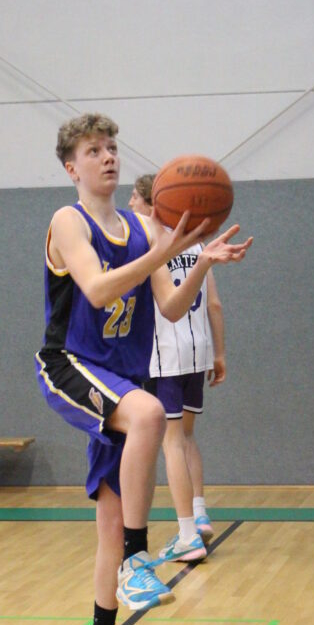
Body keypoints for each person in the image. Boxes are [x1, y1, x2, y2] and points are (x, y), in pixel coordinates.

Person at [35, 114, 252, 625]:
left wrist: (199, 261)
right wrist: (162, 250)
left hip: (121, 380)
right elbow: (98, 289)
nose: (108, 156)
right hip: (71, 364)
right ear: (71, 167)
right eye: (93, 150)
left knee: (108, 520)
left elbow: (172, 308)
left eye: (111, 147)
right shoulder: (68, 221)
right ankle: (138, 556)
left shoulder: (141, 226)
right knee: (153, 415)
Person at [128, 175, 225, 563]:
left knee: (171, 443)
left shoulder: (149, 245)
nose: (129, 204)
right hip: (197, 352)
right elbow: (214, 304)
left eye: (134, 197)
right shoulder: (196, 243)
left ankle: (187, 535)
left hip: (165, 354)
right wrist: (220, 353)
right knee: (186, 436)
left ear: (153, 204)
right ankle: (199, 513)